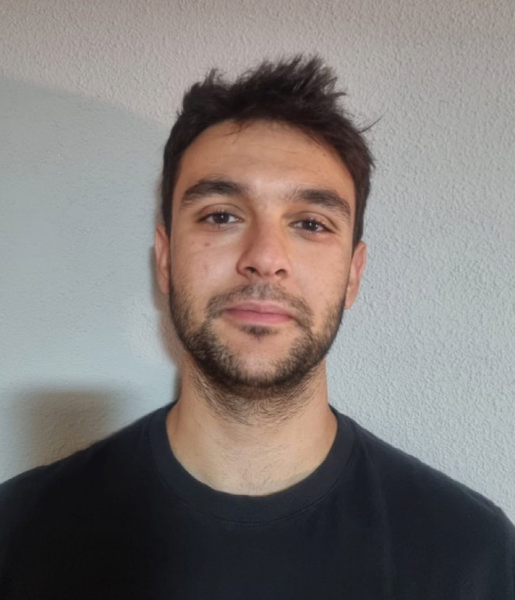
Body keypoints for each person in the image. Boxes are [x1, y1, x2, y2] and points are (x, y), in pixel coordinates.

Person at [0, 55, 513, 599]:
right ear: (166, 260)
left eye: (311, 223)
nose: (265, 258)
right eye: (221, 215)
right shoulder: (18, 537)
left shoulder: (469, 558)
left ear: (353, 275)